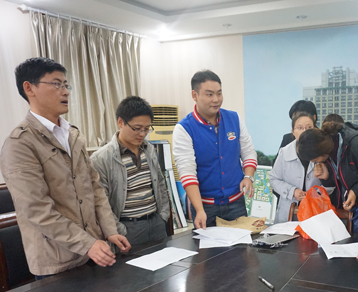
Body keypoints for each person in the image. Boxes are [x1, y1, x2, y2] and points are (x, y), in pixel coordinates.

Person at [0, 57, 130, 278]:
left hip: (93, 251)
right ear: (29, 88)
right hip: (56, 261)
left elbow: (95, 188)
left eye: (66, 85)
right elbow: (37, 210)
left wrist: (109, 230)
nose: (65, 92)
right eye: (56, 84)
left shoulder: (73, 135)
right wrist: (86, 243)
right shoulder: (20, 144)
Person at [173, 70, 257, 229]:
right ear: (194, 95)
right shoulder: (184, 129)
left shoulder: (234, 119)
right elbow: (187, 172)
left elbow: (248, 152)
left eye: (219, 93)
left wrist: (248, 177)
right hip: (205, 207)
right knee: (207, 245)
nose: (216, 99)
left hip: (236, 204)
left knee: (241, 244)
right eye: (209, 94)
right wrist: (199, 210)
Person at [91, 96, 171, 247]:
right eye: (137, 128)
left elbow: (160, 183)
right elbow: (101, 202)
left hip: (156, 223)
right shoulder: (101, 158)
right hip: (128, 228)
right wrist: (120, 230)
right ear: (121, 122)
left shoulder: (149, 149)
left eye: (146, 129)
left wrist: (163, 216)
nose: (142, 134)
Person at [297, 121, 358, 211]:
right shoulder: (328, 156)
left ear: (321, 151)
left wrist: (357, 191)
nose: (314, 162)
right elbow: (339, 185)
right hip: (346, 213)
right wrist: (326, 178)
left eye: (314, 160)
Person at [269, 112, 321, 223]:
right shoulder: (284, 152)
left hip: (315, 212)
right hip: (288, 212)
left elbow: (331, 186)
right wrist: (292, 191)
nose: (305, 131)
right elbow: (273, 179)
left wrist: (315, 193)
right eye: (300, 128)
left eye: (309, 128)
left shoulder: (322, 152)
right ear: (293, 131)